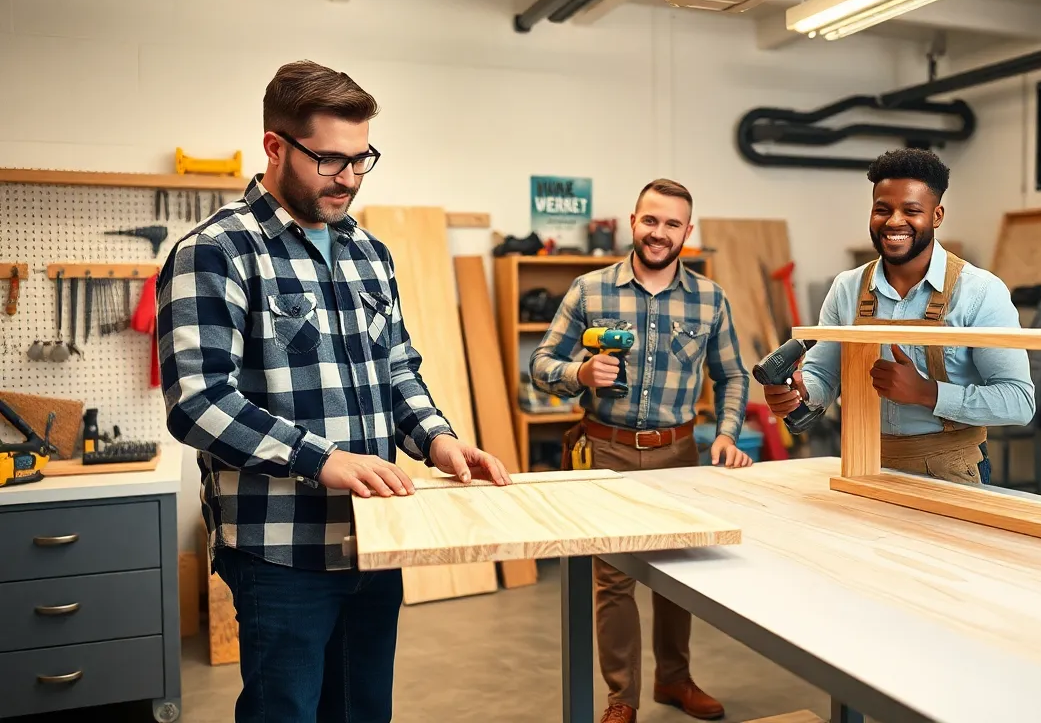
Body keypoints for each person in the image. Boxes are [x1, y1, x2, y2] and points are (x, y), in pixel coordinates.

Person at [156, 60, 510, 723]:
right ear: (275, 147)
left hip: (378, 533)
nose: (348, 177)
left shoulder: (368, 252)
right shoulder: (218, 251)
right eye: (329, 160)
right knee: (285, 711)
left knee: (364, 708)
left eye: (361, 159)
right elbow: (198, 401)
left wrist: (439, 440)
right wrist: (319, 459)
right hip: (282, 548)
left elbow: (397, 368)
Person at [530, 178, 751, 723]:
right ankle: (621, 698)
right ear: (633, 223)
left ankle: (675, 681)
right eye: (650, 221)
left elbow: (732, 376)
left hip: (679, 455)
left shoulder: (710, 298)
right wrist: (579, 372)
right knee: (614, 582)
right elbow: (539, 366)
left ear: (687, 232)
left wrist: (725, 433)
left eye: (672, 224)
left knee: (680, 577)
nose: (659, 233)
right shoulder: (589, 290)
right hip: (607, 454)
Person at [763, 148, 1034, 484]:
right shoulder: (847, 288)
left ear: (937, 215)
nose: (893, 222)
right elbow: (823, 375)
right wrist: (799, 392)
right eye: (882, 209)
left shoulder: (980, 291)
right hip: (863, 464)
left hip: (950, 471)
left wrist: (926, 392)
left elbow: (1019, 402)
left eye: (911, 210)